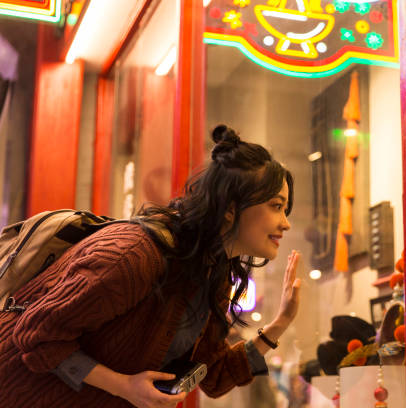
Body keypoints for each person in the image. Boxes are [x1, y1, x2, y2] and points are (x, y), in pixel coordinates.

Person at [0, 125, 302, 408]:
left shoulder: (213, 271)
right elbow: (36, 334)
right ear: (231, 208)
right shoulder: (135, 254)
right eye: (276, 206)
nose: (285, 224)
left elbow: (215, 375)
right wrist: (124, 386)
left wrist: (282, 322)